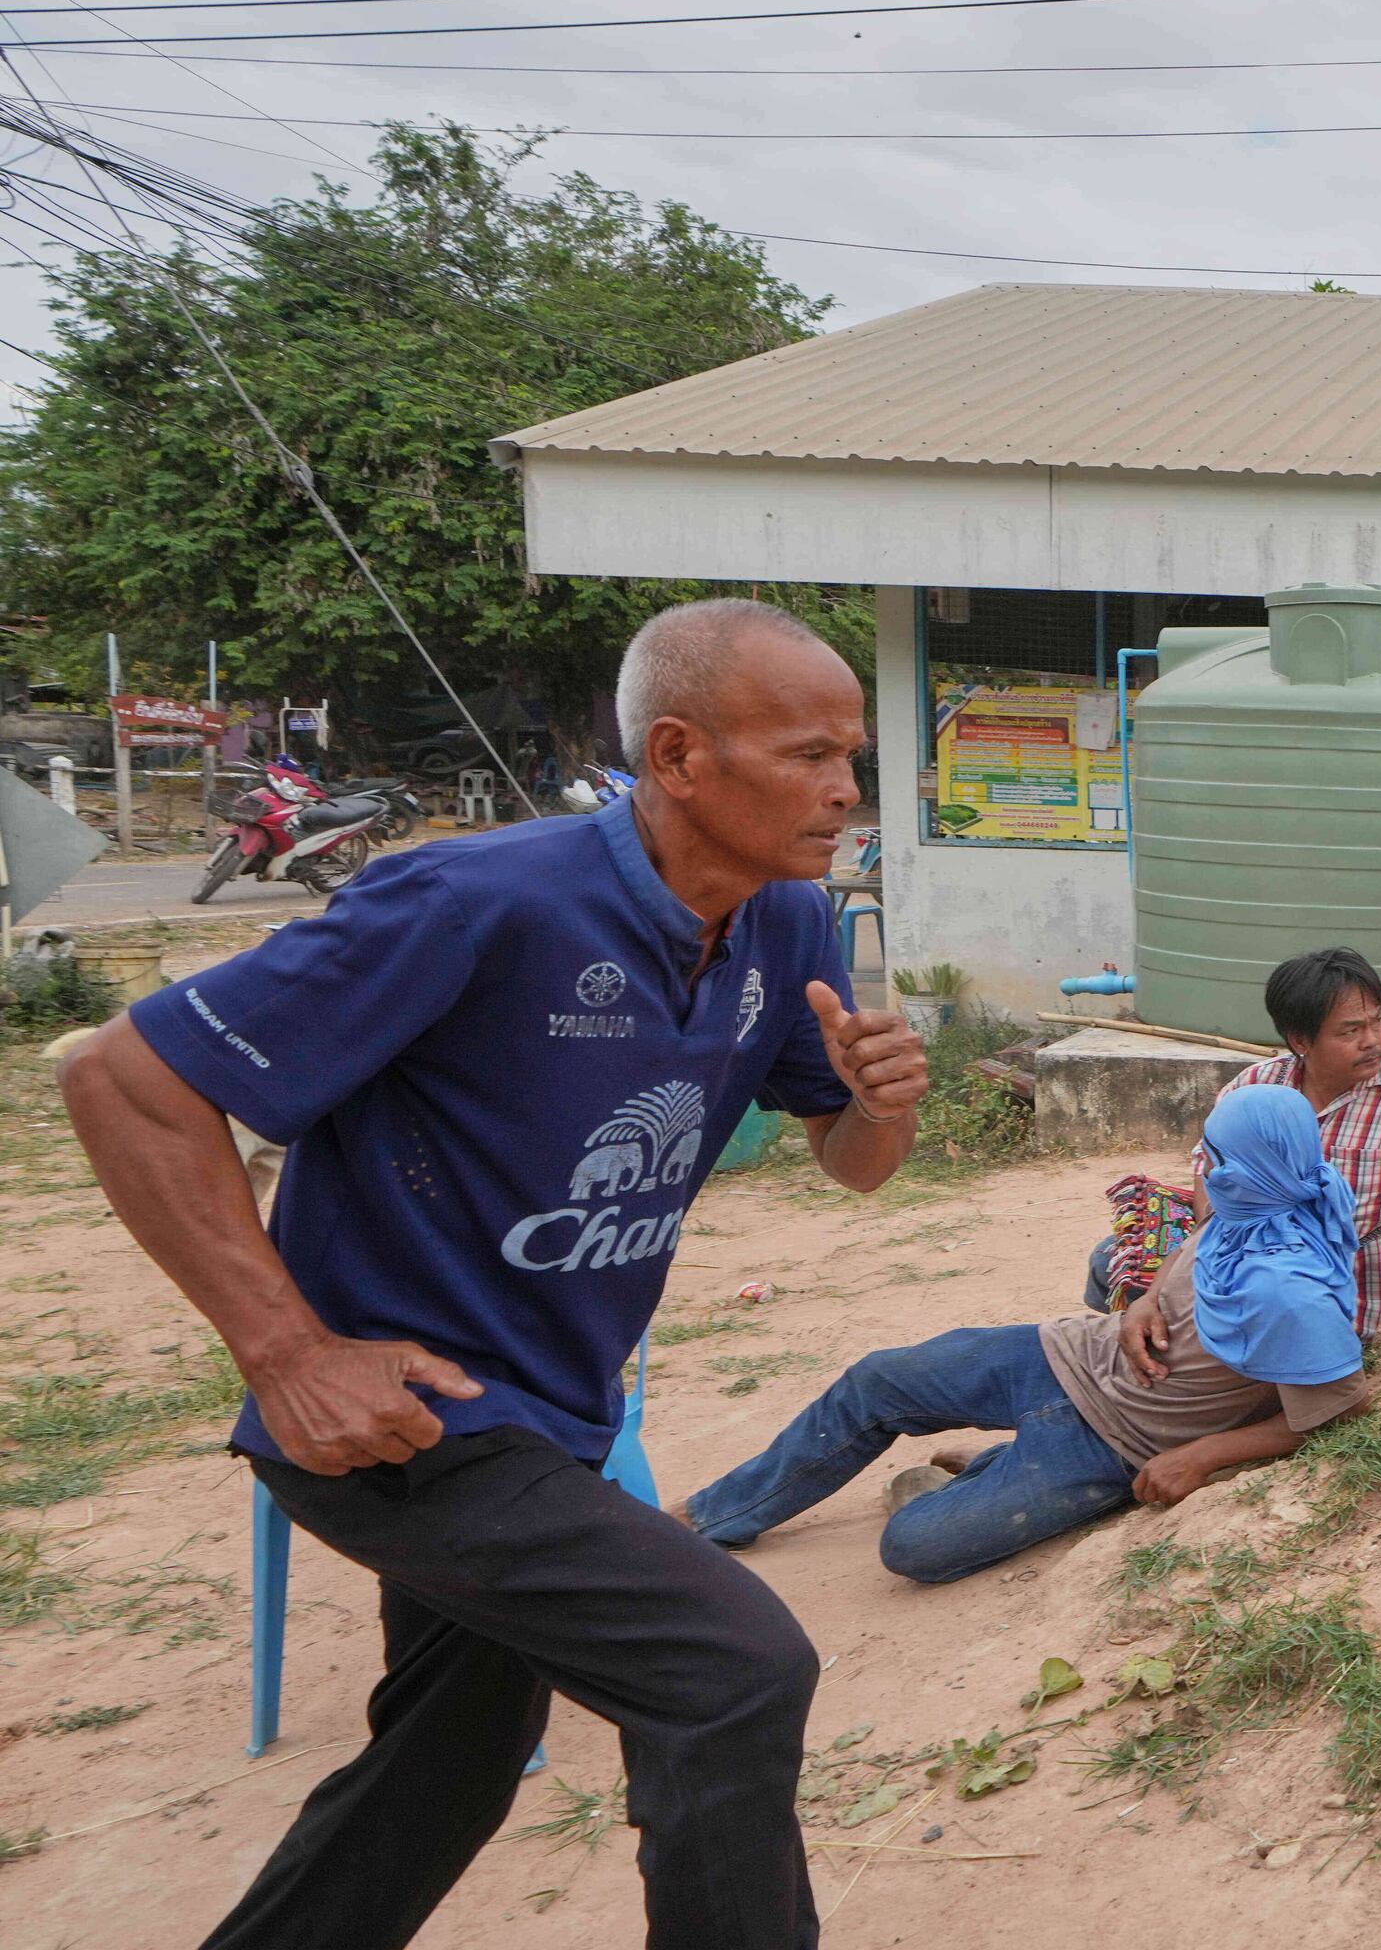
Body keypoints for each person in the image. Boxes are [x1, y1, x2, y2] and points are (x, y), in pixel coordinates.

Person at [59, 599, 926, 1950]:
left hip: (555, 1418)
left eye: (852, 756)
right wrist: (289, 1354)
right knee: (733, 1672)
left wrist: (883, 1104)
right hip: (410, 1416)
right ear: (681, 757)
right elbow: (121, 1079)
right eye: (810, 753)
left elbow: (853, 1163)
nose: (844, 789)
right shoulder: (474, 900)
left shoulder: (785, 925)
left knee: (447, 1766)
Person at [681, 1087, 1369, 1583]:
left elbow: (1334, 1409)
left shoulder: (1291, 1289)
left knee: (913, 1548)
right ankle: (714, 1517)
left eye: (1211, 1156)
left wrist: (1205, 1456)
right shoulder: (1252, 1198)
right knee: (877, 1379)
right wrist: (1140, 1304)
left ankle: (981, 1476)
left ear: (1248, 1166)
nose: (1201, 1169)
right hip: (1065, 1354)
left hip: (1109, 1447)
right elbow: (1193, 1245)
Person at [1085, 948, 1381, 1349]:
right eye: (1350, 1031)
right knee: (1112, 1263)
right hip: (1248, 1279)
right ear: (1301, 1040)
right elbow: (1208, 1170)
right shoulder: (1253, 1089)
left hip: (1350, 1305)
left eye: (1377, 1022)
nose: (1373, 1041)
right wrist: (1209, 1247)